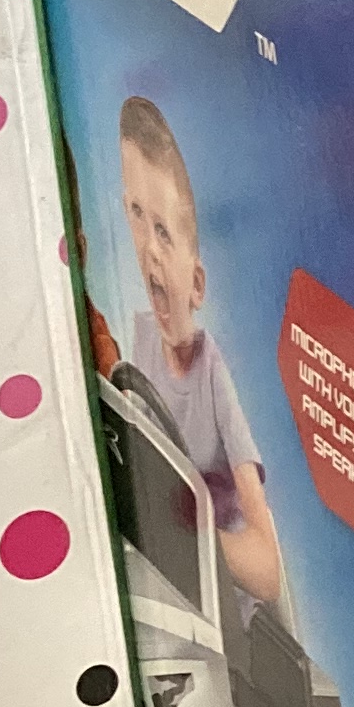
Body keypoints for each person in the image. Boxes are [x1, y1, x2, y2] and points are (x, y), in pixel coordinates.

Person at [118, 94, 286, 607]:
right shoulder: (135, 339)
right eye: (137, 215)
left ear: (196, 284)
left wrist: (185, 540)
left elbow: (267, 573)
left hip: (220, 616)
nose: (149, 247)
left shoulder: (212, 377)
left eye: (164, 232)